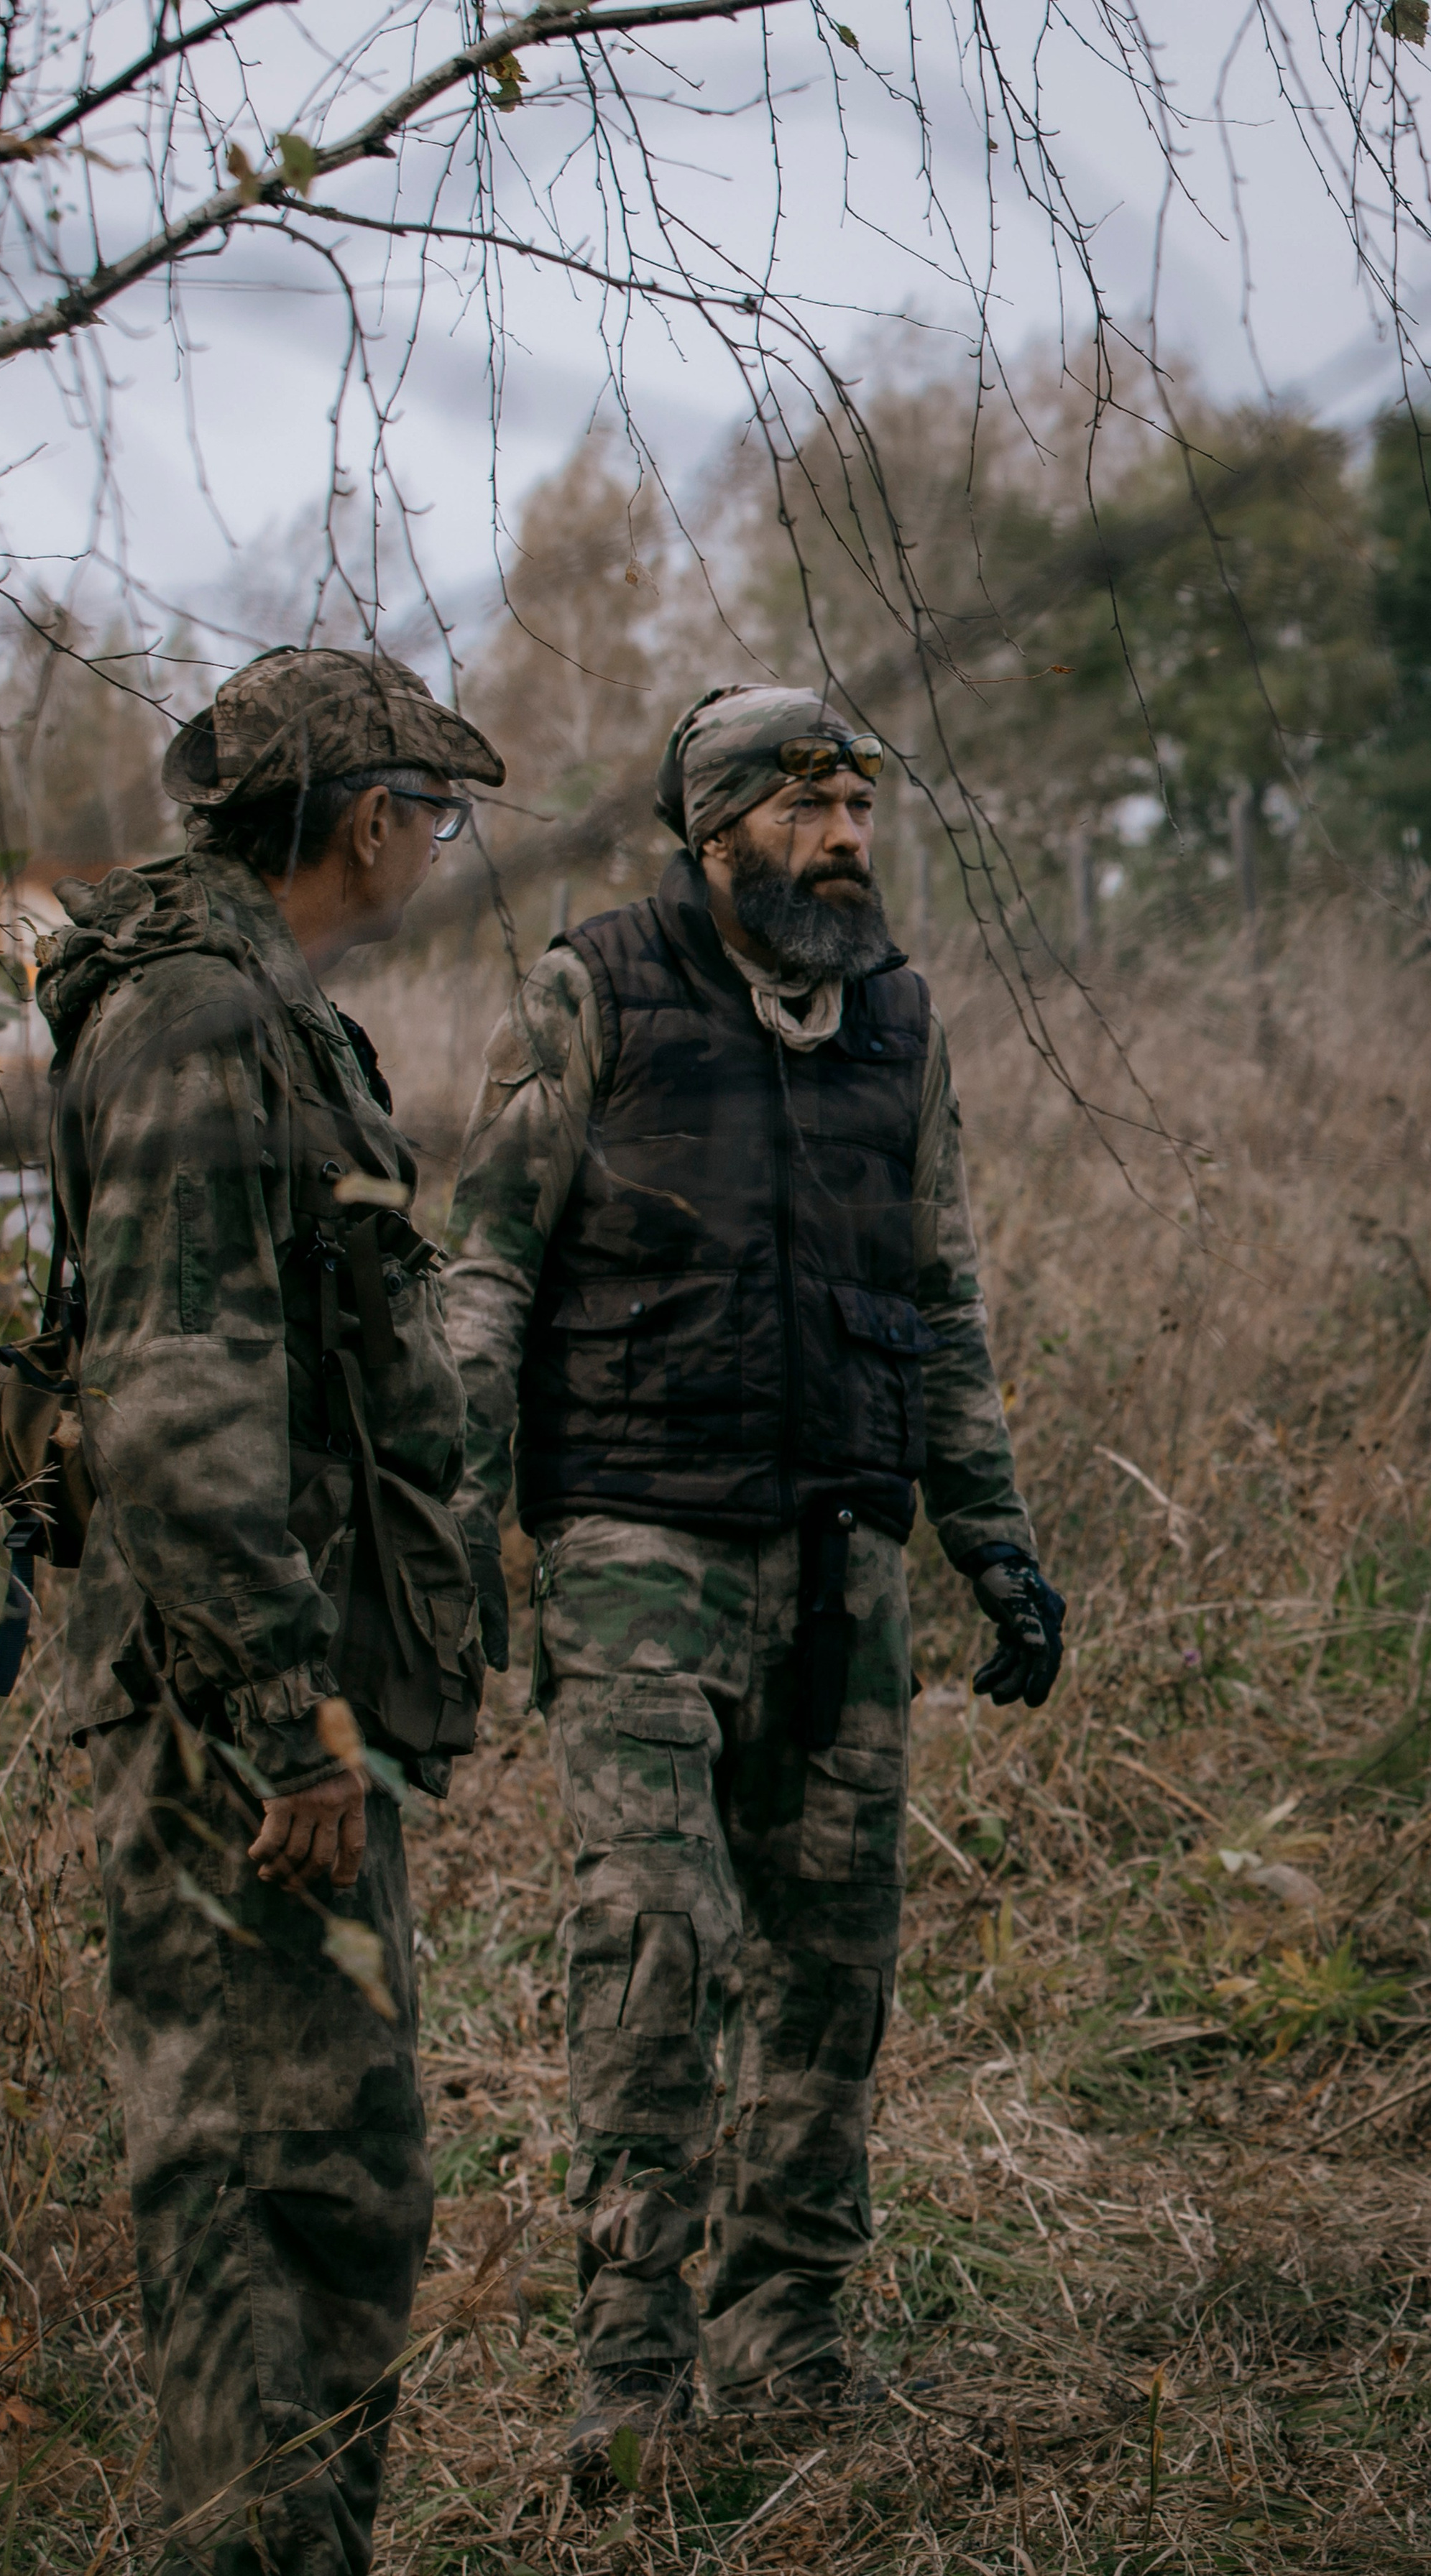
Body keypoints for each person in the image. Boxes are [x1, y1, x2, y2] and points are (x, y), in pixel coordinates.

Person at [440, 684, 1065, 2470]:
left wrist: (990, 1534)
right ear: (714, 835)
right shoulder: (594, 989)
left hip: (843, 1552)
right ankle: (632, 2373)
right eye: (808, 812)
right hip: (635, 1539)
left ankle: (787, 2347)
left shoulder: (897, 1020)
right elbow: (482, 1270)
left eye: (859, 810)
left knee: (830, 1963)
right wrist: (456, 1526)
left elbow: (941, 1295)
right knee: (654, 1943)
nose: (846, 842)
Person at [33, 647, 505, 2574]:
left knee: (338, 2186)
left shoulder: (260, 1012)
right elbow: (177, 1395)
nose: (436, 851)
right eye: (434, 815)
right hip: (239, 1724)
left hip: (276, 1698)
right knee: (263, 2188)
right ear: (369, 820)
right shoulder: (197, 1021)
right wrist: (283, 1711)